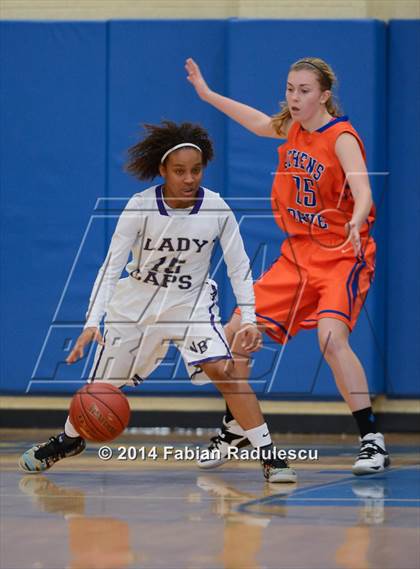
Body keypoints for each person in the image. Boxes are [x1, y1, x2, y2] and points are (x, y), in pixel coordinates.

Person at [19, 120, 297, 483]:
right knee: (101, 391)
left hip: (190, 303)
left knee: (224, 372)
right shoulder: (139, 207)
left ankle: (269, 455)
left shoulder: (217, 208)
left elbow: (240, 267)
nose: (189, 178)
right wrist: (92, 321)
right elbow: (110, 267)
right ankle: (69, 441)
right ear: (162, 170)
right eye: (179, 171)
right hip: (136, 306)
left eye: (195, 170)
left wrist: (249, 318)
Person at [185, 57, 390, 475]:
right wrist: (207, 94)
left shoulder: (341, 136)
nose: (294, 98)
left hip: (342, 254)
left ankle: (372, 440)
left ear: (324, 95)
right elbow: (258, 122)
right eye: (290, 89)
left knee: (332, 341)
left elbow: (363, 189)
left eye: (304, 91)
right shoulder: (292, 128)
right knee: (238, 332)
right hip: (297, 255)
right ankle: (238, 425)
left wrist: (356, 216)